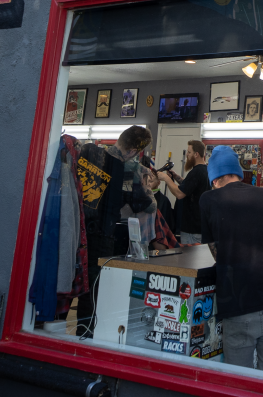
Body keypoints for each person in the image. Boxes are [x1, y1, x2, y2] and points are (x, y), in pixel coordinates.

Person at [200, 145, 263, 373]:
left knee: (240, 383)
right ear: (238, 173)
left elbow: (217, 252)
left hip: (239, 304)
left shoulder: (208, 199)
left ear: (214, 179)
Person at [74, 125, 152, 337]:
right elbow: (144, 204)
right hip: (102, 236)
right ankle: (86, 335)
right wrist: (147, 184)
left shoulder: (89, 153)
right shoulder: (129, 170)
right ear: (134, 151)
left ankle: (51, 330)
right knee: (95, 289)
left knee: (71, 282)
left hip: (77, 229)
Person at [159, 139, 210, 244]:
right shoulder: (205, 170)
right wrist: (177, 177)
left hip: (192, 230)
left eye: (189, 152)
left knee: (190, 255)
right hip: (199, 226)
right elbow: (190, 187)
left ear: (196, 154)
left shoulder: (196, 172)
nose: (187, 155)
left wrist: (166, 178)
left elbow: (180, 194)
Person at [145, 164, 176, 234]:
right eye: (147, 181)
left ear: (158, 183)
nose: (148, 184)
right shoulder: (142, 197)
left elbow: (167, 224)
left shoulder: (164, 201)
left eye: (151, 181)